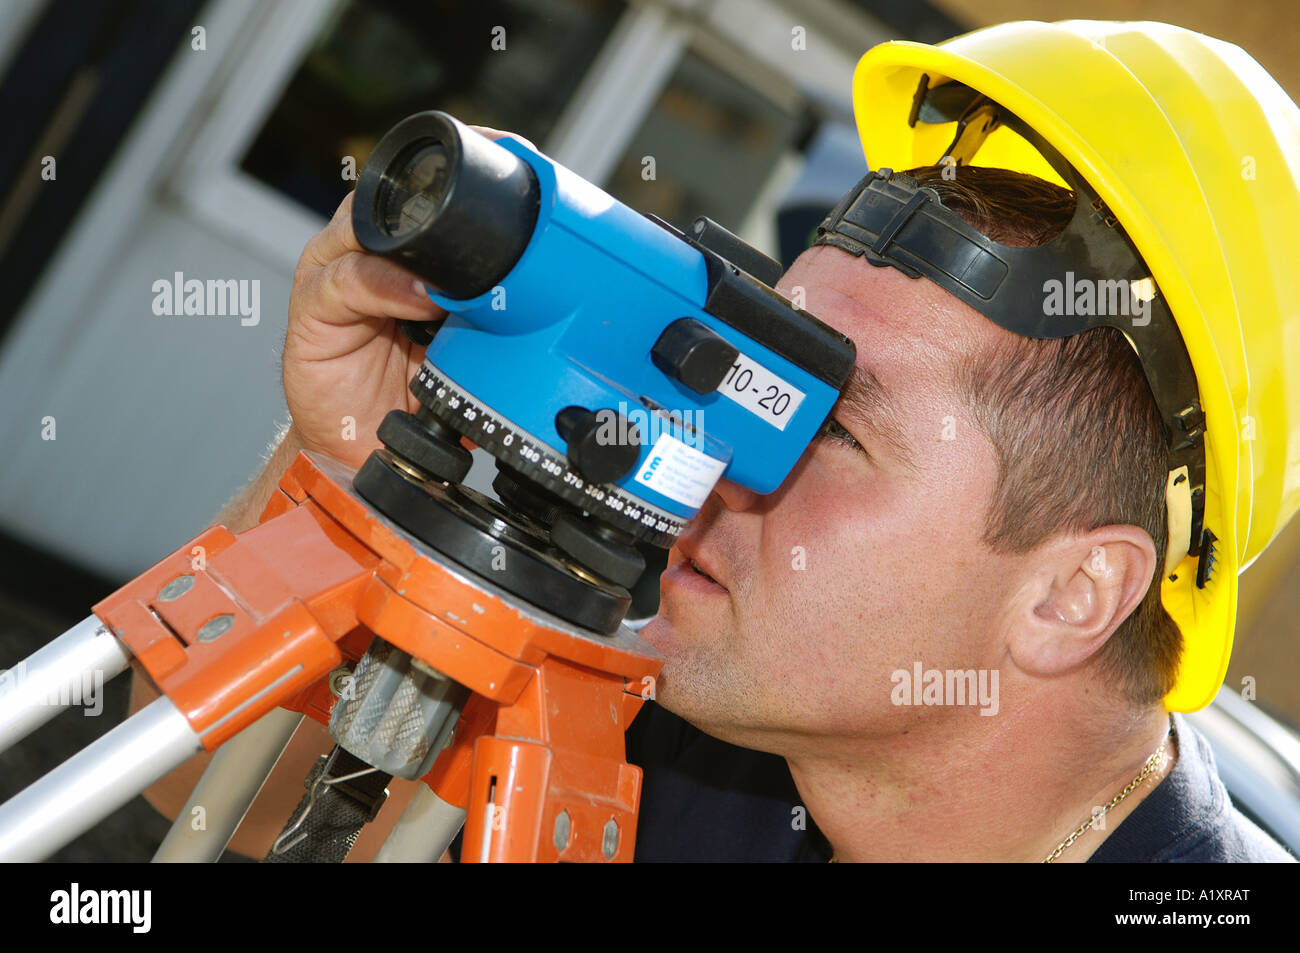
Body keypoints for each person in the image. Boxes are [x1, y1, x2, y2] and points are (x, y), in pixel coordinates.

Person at [134, 20, 1299, 862]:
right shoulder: (690, 738)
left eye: (823, 423)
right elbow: (214, 799)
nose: (703, 441)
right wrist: (351, 480)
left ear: (1070, 593)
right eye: (760, 374)